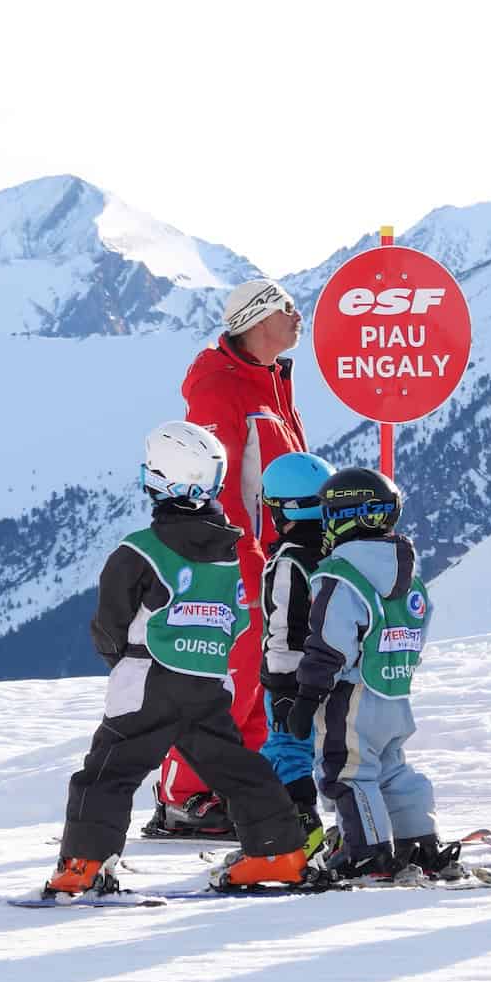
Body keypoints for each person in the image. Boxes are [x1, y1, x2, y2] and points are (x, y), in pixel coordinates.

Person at [48, 422, 306, 895]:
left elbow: (109, 624)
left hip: (147, 677)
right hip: (207, 680)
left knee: (108, 770)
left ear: (161, 479)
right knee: (235, 767)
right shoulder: (230, 554)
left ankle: (83, 865)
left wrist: (122, 661)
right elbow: (240, 620)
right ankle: (279, 853)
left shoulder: (138, 551)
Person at [147, 278, 309, 837]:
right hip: (242, 556)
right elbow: (219, 482)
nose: (298, 317)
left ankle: (239, 783)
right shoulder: (222, 386)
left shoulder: (272, 379)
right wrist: (241, 554)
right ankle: (183, 795)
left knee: (265, 671)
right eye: (289, 308)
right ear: (261, 319)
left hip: (278, 553)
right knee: (230, 672)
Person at [287, 467, 458, 880]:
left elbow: (330, 641)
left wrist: (308, 695)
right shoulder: (409, 576)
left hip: (352, 694)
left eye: (330, 516)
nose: (326, 527)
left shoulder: (340, 576)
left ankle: (368, 851)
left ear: (350, 516)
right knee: (392, 769)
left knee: (346, 772)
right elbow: (417, 630)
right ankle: (419, 842)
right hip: (394, 694)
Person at [255, 451, 339, 847]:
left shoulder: (289, 562)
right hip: (339, 674)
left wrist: (283, 687)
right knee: (339, 751)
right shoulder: (338, 553)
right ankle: (353, 831)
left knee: (287, 748)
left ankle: (294, 836)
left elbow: (285, 628)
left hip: (296, 677)